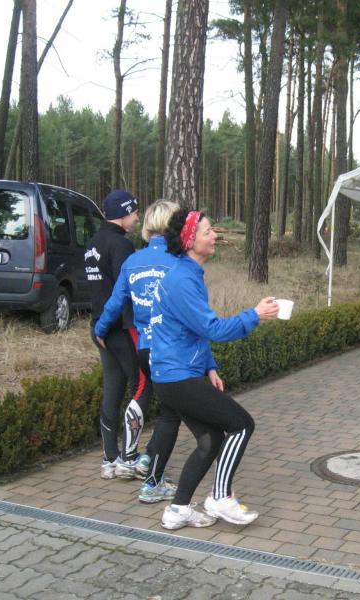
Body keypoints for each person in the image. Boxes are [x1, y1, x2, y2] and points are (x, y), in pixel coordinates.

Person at [149, 209, 279, 530]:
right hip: (177, 377)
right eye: (207, 232)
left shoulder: (188, 274)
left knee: (210, 441)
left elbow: (195, 330)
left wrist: (209, 366)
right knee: (242, 425)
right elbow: (213, 329)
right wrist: (255, 315)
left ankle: (178, 510)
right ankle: (220, 496)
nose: (214, 236)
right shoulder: (182, 280)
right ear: (189, 241)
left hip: (176, 376)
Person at [93, 199, 181, 502]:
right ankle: (142, 462)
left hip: (143, 343)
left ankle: (137, 458)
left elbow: (115, 302)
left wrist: (100, 329)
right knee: (168, 406)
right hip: (172, 346)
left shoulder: (133, 261)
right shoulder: (179, 262)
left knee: (144, 391)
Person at [85, 189, 152, 480]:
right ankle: (129, 456)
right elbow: (125, 291)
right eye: (134, 212)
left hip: (99, 328)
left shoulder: (92, 243)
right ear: (123, 213)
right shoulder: (121, 245)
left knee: (112, 390)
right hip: (121, 328)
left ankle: (109, 458)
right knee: (142, 386)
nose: (137, 217)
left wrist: (101, 325)